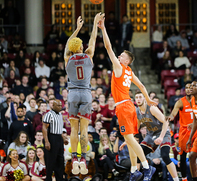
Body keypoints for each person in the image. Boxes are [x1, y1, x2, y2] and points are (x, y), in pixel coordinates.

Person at [98, 15, 156, 180]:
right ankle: (133, 170)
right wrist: (148, 99)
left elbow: (108, 48)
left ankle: (145, 167)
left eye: (122, 56)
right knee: (130, 140)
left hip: (123, 106)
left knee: (130, 139)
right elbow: (142, 86)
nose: (119, 56)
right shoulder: (130, 72)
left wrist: (103, 29)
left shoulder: (120, 67)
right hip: (130, 106)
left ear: (126, 61)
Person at [64, 14, 102, 175]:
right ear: (81, 47)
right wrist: (94, 24)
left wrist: (77, 29)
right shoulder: (88, 55)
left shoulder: (67, 58)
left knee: (74, 129)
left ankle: (74, 158)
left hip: (72, 94)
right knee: (84, 129)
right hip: (86, 94)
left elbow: (67, 45)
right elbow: (93, 39)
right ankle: (84, 159)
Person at [134, 91, 179, 181]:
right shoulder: (137, 112)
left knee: (165, 156)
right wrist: (127, 140)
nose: (138, 99)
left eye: (140, 97)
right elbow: (136, 128)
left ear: (144, 98)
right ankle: (139, 176)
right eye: (136, 98)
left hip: (163, 132)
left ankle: (176, 179)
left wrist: (161, 137)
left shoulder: (152, 108)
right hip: (151, 134)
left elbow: (165, 121)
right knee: (138, 153)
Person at [168, 82, 197, 181]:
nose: (188, 89)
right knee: (183, 156)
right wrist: (170, 117)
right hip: (185, 131)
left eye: (190, 87)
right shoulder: (180, 102)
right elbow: (173, 114)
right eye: (186, 88)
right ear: (184, 90)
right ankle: (184, 178)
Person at [42, 99, 66, 181]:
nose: (60, 107)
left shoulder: (60, 114)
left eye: (61, 105)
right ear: (53, 106)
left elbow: (60, 128)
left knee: (60, 161)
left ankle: (59, 179)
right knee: (50, 162)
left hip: (59, 138)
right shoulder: (49, 114)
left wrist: (63, 138)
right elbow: (44, 128)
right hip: (52, 138)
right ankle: (48, 179)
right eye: (58, 106)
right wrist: (46, 141)